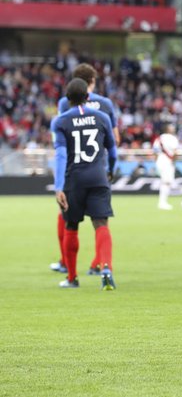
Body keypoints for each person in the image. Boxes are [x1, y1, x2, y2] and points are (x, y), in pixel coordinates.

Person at [51, 63, 119, 276]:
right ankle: (103, 266)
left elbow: (62, 151)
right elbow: (114, 142)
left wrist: (59, 184)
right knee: (101, 223)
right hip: (98, 171)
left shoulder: (62, 112)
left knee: (69, 221)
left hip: (74, 175)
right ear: (91, 83)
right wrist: (110, 168)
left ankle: (69, 272)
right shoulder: (105, 108)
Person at [154, 124, 179, 210]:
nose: (173, 129)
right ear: (168, 129)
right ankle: (162, 203)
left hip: (160, 160)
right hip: (168, 161)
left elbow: (155, 151)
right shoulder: (173, 138)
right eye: (172, 128)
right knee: (166, 182)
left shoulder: (159, 138)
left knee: (165, 181)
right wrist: (173, 161)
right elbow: (175, 152)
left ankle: (163, 202)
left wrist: (156, 161)